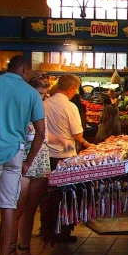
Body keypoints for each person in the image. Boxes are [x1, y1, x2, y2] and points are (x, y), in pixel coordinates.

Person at [0, 56, 46, 255]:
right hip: (13, 155)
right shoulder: (30, 93)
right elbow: (41, 132)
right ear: (25, 69)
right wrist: (28, 161)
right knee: (9, 207)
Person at [43, 74, 94, 244]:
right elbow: (77, 134)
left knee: (49, 196)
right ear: (71, 89)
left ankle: (47, 230)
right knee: (67, 197)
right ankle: (63, 231)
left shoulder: (45, 104)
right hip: (66, 158)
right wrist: (88, 144)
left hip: (47, 156)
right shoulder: (70, 106)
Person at [9, 77, 52, 255]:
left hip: (40, 161)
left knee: (31, 209)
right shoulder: (19, 109)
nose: (41, 98)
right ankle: (10, 252)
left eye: (43, 94)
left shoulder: (41, 109)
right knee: (16, 209)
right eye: (39, 94)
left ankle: (25, 249)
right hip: (24, 161)